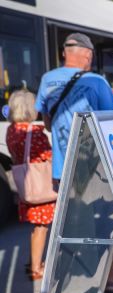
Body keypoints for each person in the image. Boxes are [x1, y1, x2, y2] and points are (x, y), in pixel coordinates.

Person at [35, 32, 113, 293]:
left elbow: (47, 122)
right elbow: (112, 122)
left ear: (66, 52)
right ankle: (108, 278)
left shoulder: (47, 80)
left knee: (73, 219)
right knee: (101, 223)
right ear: (87, 54)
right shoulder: (95, 81)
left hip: (61, 166)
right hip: (90, 165)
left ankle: (75, 275)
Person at [6, 89, 55, 281]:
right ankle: (36, 269)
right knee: (41, 227)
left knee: (36, 227)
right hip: (39, 186)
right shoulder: (33, 133)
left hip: (25, 184)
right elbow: (48, 157)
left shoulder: (12, 130)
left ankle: (32, 261)